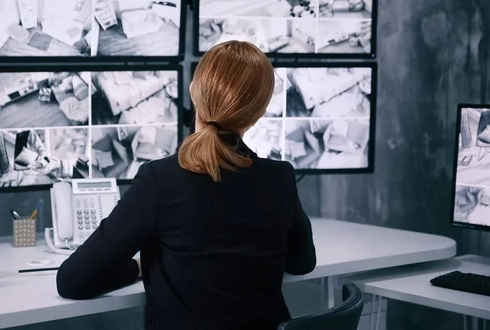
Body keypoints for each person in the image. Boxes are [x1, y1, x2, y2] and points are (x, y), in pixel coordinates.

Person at [56, 41, 317, 329]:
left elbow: (72, 281)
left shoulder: (159, 179)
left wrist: (137, 268)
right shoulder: (279, 177)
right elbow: (302, 263)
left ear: (193, 90)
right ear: (260, 112)